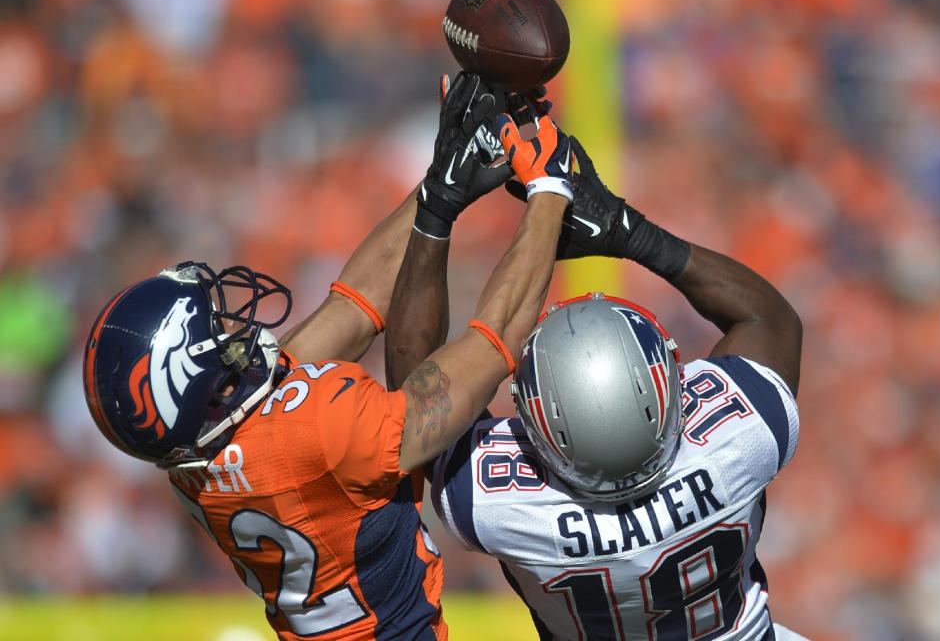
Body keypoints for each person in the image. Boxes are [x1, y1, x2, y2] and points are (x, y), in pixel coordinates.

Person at [81, 72, 577, 640]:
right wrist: (549, 192)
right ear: (197, 380)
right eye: (216, 331)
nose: (233, 327)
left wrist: (444, 183)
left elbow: (355, 306)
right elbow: (496, 340)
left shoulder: (205, 451)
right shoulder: (318, 431)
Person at [385, 131, 807, 640]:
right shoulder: (739, 442)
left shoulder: (501, 509)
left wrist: (438, 208)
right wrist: (630, 234)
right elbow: (770, 319)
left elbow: (418, 391)